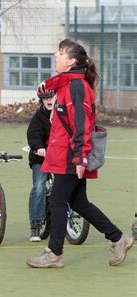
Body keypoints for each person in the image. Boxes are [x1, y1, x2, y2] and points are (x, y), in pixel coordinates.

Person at [26, 39, 134, 268]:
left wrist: (80, 157)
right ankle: (118, 237)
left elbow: (82, 124)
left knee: (57, 200)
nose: (56, 55)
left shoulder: (77, 87)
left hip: (70, 155)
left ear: (72, 61)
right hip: (64, 152)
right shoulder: (66, 84)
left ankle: (54, 253)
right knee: (78, 202)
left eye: (61, 53)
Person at [26, 84, 55, 242]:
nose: (49, 100)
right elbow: (33, 134)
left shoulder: (63, 113)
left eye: (51, 96)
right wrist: (38, 148)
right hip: (41, 158)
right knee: (39, 187)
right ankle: (35, 226)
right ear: (41, 100)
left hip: (60, 157)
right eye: (45, 97)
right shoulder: (39, 117)